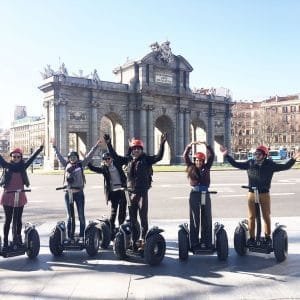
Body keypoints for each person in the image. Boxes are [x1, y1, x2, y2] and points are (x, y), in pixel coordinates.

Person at [220, 144, 300, 245]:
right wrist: (226, 155)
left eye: (258, 154)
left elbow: (285, 166)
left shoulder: (270, 165)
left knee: (266, 216)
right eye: (255, 154)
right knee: (251, 216)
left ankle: (267, 237)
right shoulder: (250, 163)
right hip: (252, 194)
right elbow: (236, 164)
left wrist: (293, 158)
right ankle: (252, 238)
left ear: (264, 155)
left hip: (264, 194)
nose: (256, 156)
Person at [103, 133, 167, 251]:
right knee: (132, 218)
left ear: (141, 150)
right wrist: (109, 144)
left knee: (143, 217)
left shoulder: (146, 159)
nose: (136, 150)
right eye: (134, 148)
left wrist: (162, 144)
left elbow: (158, 157)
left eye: (138, 148)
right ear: (132, 150)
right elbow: (115, 157)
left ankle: (143, 239)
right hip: (130, 193)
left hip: (142, 193)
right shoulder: (128, 160)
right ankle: (134, 239)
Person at [52, 139, 101, 241]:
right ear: (69, 158)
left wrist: (96, 146)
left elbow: (89, 156)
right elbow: (59, 156)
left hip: (79, 193)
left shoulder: (81, 165)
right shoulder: (66, 165)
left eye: (74, 157)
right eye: (71, 157)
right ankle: (70, 236)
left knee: (81, 216)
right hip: (68, 193)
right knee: (70, 217)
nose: (72, 159)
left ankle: (82, 235)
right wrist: (54, 147)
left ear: (77, 158)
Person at [0, 145, 44, 252]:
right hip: (8, 195)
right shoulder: (6, 166)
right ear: (11, 157)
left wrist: (40, 149)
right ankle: (5, 241)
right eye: (14, 157)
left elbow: (32, 158)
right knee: (8, 220)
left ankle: (18, 239)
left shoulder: (23, 166)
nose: (16, 159)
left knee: (18, 220)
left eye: (18, 157)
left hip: (20, 195)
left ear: (21, 157)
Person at [183, 141, 215, 250]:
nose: (198, 162)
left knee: (206, 217)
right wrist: (189, 146)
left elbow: (212, 155)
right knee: (195, 218)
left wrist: (207, 145)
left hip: (205, 193)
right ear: (194, 160)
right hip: (195, 194)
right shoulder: (191, 167)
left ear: (203, 161)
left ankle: (207, 241)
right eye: (196, 160)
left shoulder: (207, 167)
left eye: (200, 160)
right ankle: (194, 242)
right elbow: (185, 156)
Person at [88, 151, 127, 236]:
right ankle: (111, 229)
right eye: (105, 159)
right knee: (113, 211)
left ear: (111, 159)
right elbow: (94, 169)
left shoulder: (117, 164)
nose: (107, 161)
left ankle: (121, 227)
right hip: (113, 192)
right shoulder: (104, 168)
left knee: (122, 210)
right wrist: (88, 162)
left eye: (108, 159)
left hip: (122, 190)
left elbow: (127, 159)